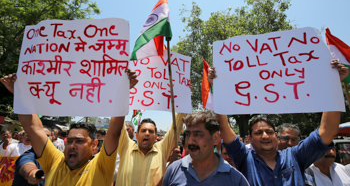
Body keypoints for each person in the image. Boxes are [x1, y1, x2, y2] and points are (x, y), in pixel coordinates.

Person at [208, 60, 348, 185]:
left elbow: (327, 131)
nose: (265, 136)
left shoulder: (295, 156)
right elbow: (224, 126)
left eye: (269, 132)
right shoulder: (244, 157)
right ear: (249, 139)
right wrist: (219, 87)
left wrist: (334, 85)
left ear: (276, 136)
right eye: (258, 133)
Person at [0, 69, 138, 186]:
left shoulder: (101, 166)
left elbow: (114, 132)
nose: (72, 145)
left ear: (94, 144)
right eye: (70, 141)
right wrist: (19, 95)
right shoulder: (54, 161)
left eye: (79, 141)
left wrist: (122, 93)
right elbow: (33, 128)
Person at [162, 110, 249, 185]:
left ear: (215, 138)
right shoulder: (173, 170)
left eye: (198, 134)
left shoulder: (236, 179)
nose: (190, 141)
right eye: (188, 134)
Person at [116, 114, 185, 185]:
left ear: (155, 137)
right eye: (143, 130)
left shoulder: (161, 149)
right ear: (136, 135)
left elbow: (176, 126)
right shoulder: (126, 147)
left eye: (151, 131)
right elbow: (117, 121)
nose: (147, 133)